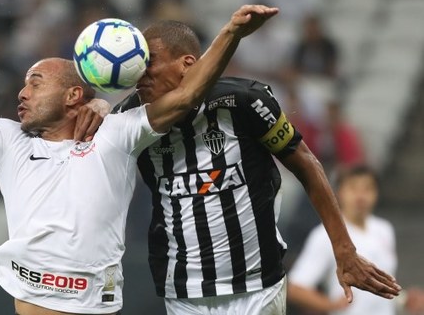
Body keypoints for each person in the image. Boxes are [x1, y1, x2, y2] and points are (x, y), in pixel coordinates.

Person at [0, 0, 277, 314]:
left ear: (73, 94)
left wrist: (230, 34)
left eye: (36, 82)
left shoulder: (117, 136)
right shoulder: (5, 141)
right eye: (24, 83)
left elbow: (187, 95)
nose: (22, 93)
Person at [107, 20, 401, 314]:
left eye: (150, 62)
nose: (138, 73)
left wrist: (344, 249)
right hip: (184, 293)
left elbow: (306, 165)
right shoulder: (129, 119)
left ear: (187, 63)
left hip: (257, 287)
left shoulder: (244, 101)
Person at [288, 165, 424, 315]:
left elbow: (378, 291)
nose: (360, 196)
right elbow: (296, 288)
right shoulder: (326, 234)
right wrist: (330, 305)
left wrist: (404, 300)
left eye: (367, 189)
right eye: (353, 188)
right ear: (339, 193)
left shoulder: (384, 230)